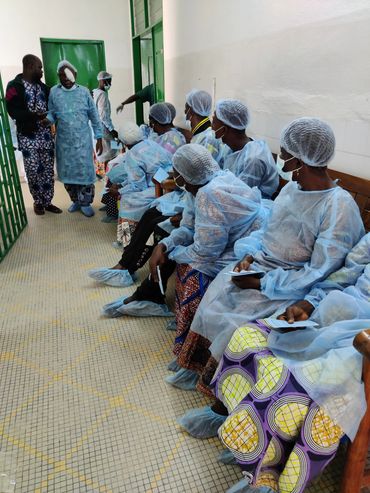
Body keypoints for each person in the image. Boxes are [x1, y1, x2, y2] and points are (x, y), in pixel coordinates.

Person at [176, 117, 364, 437]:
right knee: (219, 289)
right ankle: (205, 378)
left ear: (301, 160)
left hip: (293, 283)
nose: (281, 158)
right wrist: (250, 255)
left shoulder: (338, 207)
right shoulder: (292, 188)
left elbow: (323, 270)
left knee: (237, 323)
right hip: (265, 265)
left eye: (286, 152)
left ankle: (226, 406)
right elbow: (268, 230)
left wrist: (262, 282)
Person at [208, 234, 370, 493]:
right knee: (249, 336)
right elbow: (344, 276)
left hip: (364, 346)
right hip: (341, 317)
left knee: (290, 389)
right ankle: (247, 437)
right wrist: (308, 304)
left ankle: (269, 477)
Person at [102, 144, 269, 321]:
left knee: (193, 268)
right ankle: (148, 295)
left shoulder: (209, 194)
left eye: (176, 172)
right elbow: (188, 227)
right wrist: (164, 245)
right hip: (225, 240)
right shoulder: (197, 187)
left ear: (186, 176)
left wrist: (173, 254)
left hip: (245, 246)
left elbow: (207, 252)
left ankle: (167, 308)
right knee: (163, 234)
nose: (174, 176)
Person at [116, 103, 185, 246]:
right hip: (167, 179)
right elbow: (166, 165)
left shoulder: (133, 155)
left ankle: (127, 239)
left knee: (127, 200)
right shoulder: (151, 143)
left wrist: (120, 190)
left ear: (124, 143)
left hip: (156, 186)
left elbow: (137, 185)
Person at [5, 54, 62, 216]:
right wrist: (34, 116)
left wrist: (49, 119)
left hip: (45, 138)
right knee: (33, 171)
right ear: (30, 67)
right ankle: (38, 202)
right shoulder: (14, 86)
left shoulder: (44, 88)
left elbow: (53, 109)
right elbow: (12, 110)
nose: (42, 71)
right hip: (28, 138)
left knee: (48, 172)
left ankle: (48, 201)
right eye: (39, 67)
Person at [47, 60, 103, 217]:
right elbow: (52, 113)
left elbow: (94, 115)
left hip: (82, 141)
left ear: (75, 75)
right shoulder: (54, 92)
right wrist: (47, 119)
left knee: (84, 172)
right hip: (64, 142)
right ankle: (76, 200)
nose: (65, 78)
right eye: (61, 75)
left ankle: (85, 202)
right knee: (68, 173)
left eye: (68, 74)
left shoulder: (84, 92)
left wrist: (99, 137)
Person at [212, 99, 279, 198]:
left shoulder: (253, 159)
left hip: (251, 210)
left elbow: (241, 198)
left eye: (214, 123)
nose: (212, 127)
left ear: (224, 129)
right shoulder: (229, 148)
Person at [93, 71, 118, 174]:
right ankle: (110, 174)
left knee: (105, 151)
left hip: (96, 128)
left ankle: (104, 173)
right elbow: (104, 116)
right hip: (103, 128)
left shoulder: (94, 92)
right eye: (109, 81)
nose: (110, 84)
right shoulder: (102, 95)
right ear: (103, 81)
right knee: (113, 150)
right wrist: (112, 130)